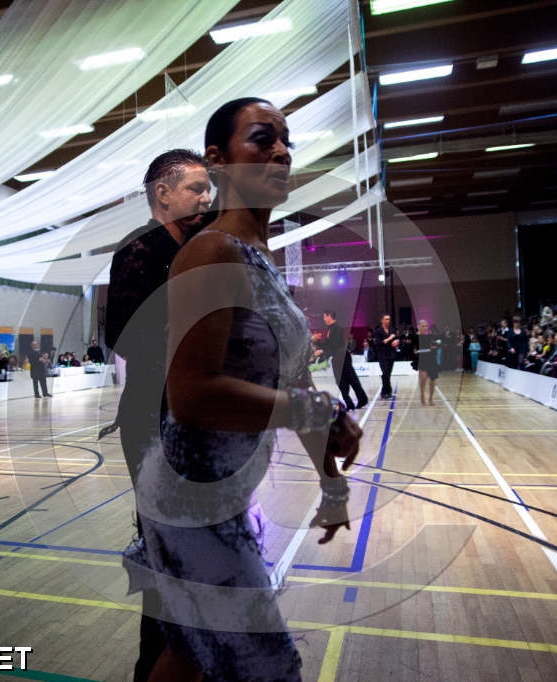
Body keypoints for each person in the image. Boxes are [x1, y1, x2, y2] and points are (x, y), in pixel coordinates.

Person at [126, 97, 362, 682]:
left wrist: (331, 482)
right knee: (268, 667)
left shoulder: (263, 259)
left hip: (227, 493)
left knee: (190, 657)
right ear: (218, 159)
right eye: (262, 139)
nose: (281, 152)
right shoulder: (210, 251)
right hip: (190, 502)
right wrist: (314, 410)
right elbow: (192, 395)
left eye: (286, 142)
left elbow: (296, 381)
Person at [105, 148, 213, 682]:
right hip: (152, 421)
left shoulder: (200, 247)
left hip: (194, 421)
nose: (206, 198)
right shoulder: (138, 251)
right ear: (162, 194)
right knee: (166, 552)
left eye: (208, 188)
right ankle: (153, 667)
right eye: (196, 189)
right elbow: (124, 336)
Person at [320, 310, 367, 411]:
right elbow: (327, 343)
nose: (323, 319)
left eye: (324, 317)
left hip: (342, 357)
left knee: (351, 379)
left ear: (329, 317)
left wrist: (323, 350)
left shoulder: (337, 328)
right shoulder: (331, 329)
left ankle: (361, 400)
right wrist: (318, 343)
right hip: (337, 357)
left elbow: (334, 343)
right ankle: (350, 403)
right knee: (341, 381)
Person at [414, 319, 442, 406]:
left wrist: (435, 346)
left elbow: (440, 341)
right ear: (418, 327)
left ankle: (431, 398)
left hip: (431, 359)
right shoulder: (415, 337)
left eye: (426, 326)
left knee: (433, 379)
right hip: (421, 360)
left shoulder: (430, 336)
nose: (425, 328)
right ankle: (422, 394)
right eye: (423, 326)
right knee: (423, 378)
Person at [374, 314, 398, 399]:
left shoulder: (393, 330)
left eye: (388, 319)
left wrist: (397, 342)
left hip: (391, 354)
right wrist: (389, 338)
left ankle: (386, 390)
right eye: (386, 319)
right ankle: (386, 391)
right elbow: (378, 343)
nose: (387, 321)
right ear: (382, 320)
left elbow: (397, 339)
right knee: (385, 372)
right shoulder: (378, 331)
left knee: (388, 374)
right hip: (382, 355)